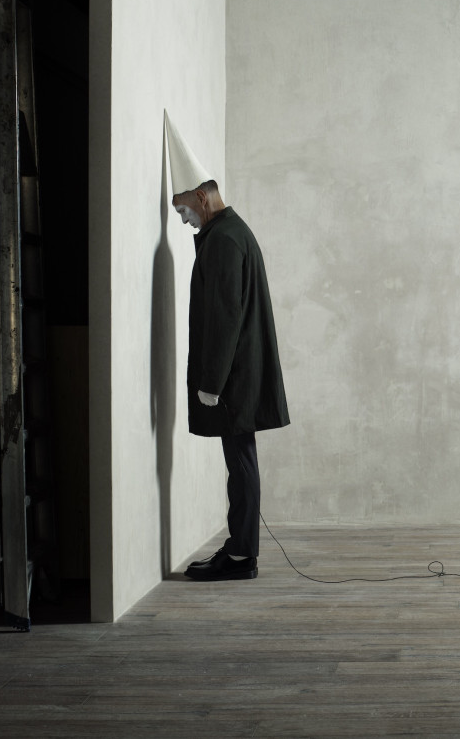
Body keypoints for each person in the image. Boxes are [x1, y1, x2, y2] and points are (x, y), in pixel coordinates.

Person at [164, 111, 290, 581]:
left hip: (233, 377)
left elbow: (223, 319)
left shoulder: (222, 242)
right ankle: (240, 549)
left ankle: (240, 556)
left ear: (200, 197)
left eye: (182, 209)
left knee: (240, 464)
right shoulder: (235, 233)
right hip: (243, 372)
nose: (182, 219)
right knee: (241, 462)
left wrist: (211, 383)